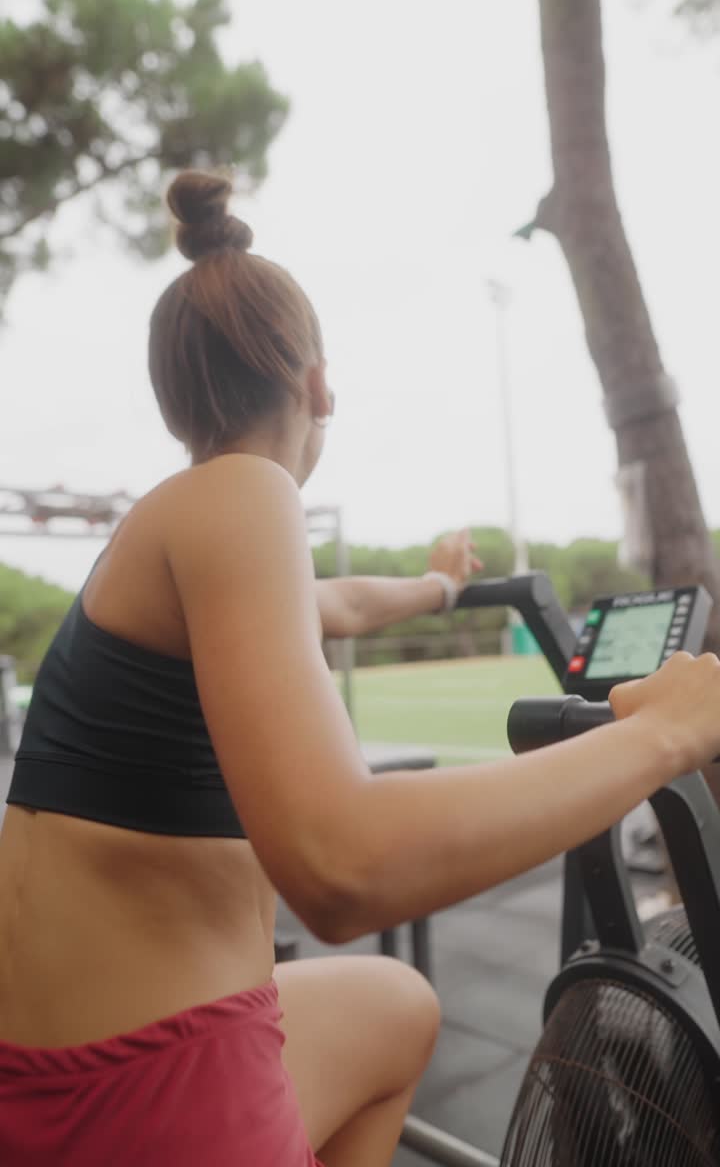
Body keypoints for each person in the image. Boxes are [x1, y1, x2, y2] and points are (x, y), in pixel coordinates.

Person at [1, 170, 720, 1167]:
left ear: (175, 402)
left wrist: (432, 586)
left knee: (396, 1004)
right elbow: (341, 865)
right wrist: (667, 730)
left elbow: (329, 602)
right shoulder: (245, 494)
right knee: (381, 985)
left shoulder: (170, 529)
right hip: (138, 1097)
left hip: (48, 1067)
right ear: (319, 385)